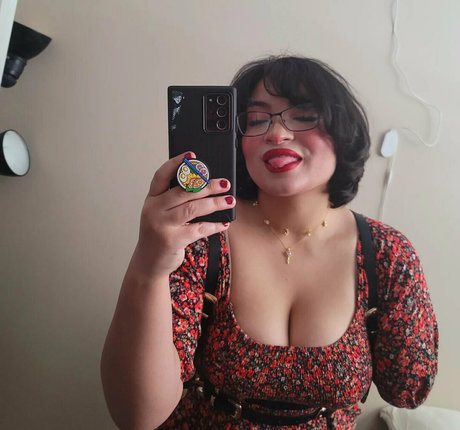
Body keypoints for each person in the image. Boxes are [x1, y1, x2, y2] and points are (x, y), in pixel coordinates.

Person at [100, 55, 438, 430]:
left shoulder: (386, 252)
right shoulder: (200, 236)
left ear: (342, 131)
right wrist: (148, 267)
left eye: (304, 115)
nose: (276, 134)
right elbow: (137, 417)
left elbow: (408, 390)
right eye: (257, 120)